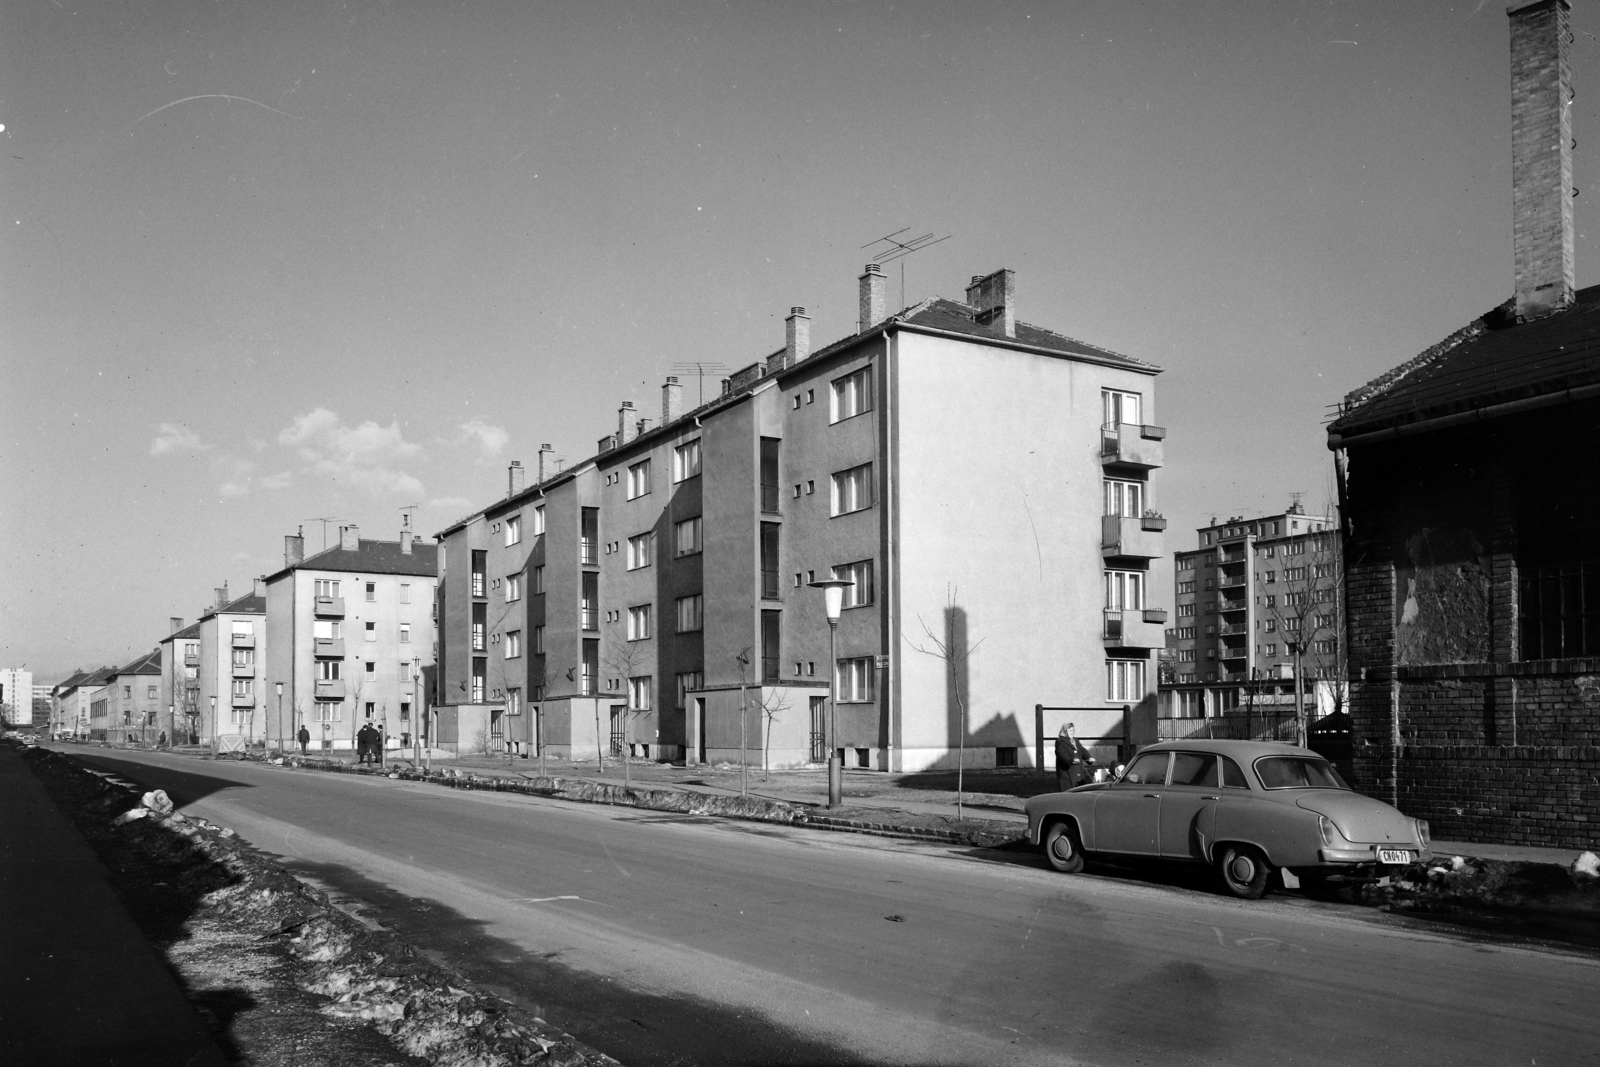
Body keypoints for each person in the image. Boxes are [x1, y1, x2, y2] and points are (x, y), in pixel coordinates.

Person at [1055, 723, 1096, 792]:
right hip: (1067, 772)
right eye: (1070, 730)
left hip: (1078, 772)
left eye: (1073, 730)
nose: (1072, 732)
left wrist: (1089, 758)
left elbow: (1082, 750)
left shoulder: (1075, 741)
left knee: (1079, 792)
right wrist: (1070, 760)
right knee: (1068, 794)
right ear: (1065, 731)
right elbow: (1061, 753)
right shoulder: (1060, 741)